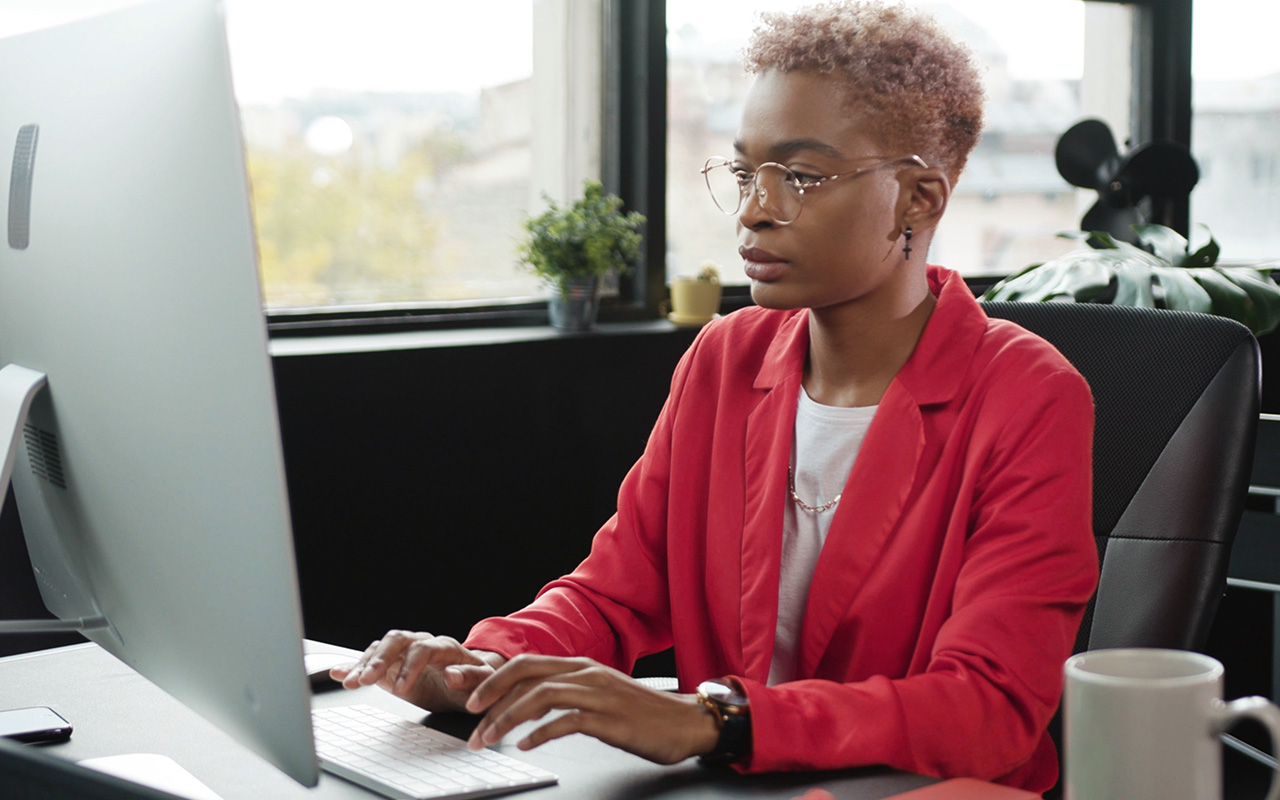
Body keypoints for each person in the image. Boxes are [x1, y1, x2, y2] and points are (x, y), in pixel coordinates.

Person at [334, 1, 1098, 792]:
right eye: (745, 172)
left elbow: (991, 707)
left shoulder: (1029, 394)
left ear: (919, 200)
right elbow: (616, 592)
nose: (754, 210)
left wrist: (718, 719)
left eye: (800, 176)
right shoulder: (726, 357)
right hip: (741, 786)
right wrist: (486, 665)